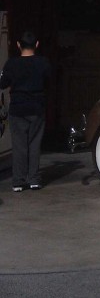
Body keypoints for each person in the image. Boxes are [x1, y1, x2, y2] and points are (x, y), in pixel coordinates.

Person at [1, 29, 51, 191]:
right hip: (37, 107)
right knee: (34, 144)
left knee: (19, 145)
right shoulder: (43, 62)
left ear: (18, 45)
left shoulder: (12, 64)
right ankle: (34, 179)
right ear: (36, 44)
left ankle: (18, 181)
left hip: (17, 108)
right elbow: (49, 81)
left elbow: (2, 84)